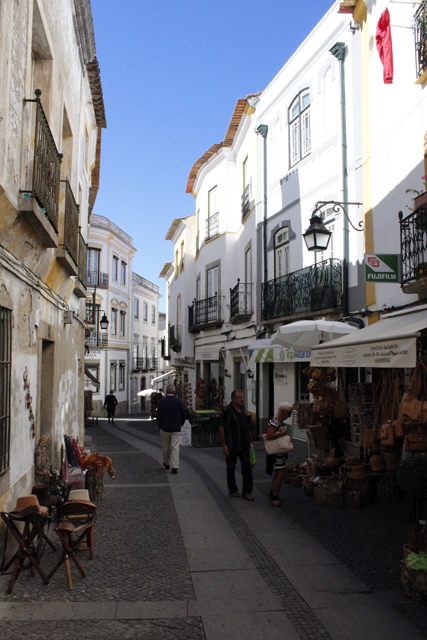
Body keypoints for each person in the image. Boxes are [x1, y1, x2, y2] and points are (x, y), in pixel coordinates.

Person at [219, 390, 254, 501]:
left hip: (244, 444)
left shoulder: (243, 409)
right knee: (231, 468)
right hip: (232, 444)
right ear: (233, 399)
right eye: (240, 397)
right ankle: (233, 490)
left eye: (242, 397)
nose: (242, 399)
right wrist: (224, 445)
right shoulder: (227, 411)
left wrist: (249, 439)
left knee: (247, 467)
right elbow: (222, 427)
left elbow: (245, 425)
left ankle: (247, 492)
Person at [266, 401, 293, 507]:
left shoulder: (278, 420)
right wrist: (282, 433)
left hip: (279, 453)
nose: (289, 416)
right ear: (284, 412)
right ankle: (274, 497)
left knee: (279, 473)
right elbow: (269, 435)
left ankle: (273, 493)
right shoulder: (276, 421)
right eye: (289, 414)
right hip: (276, 453)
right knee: (280, 473)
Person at [156, 384, 187, 474]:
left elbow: (158, 415)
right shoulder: (179, 401)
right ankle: (175, 466)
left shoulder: (162, 402)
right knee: (175, 447)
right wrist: (181, 423)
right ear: (174, 392)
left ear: (166, 392)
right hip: (176, 427)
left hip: (164, 427)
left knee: (165, 446)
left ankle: (166, 462)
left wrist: (160, 425)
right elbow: (184, 413)